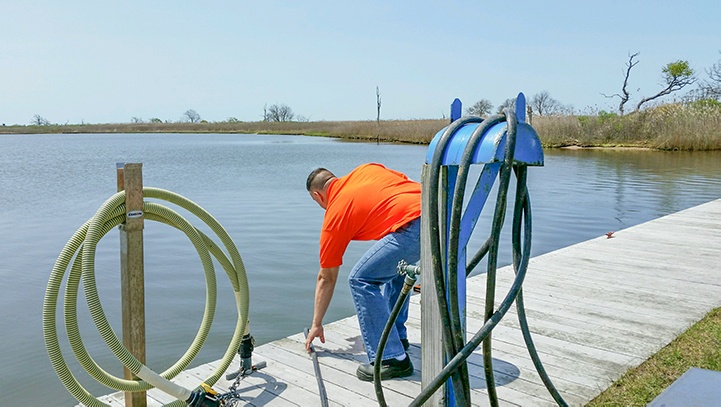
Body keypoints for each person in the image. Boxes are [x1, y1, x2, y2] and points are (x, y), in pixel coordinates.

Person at [303, 163, 421, 381]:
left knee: (361, 280)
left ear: (318, 196)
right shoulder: (367, 169)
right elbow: (404, 185)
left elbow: (326, 278)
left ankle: (392, 359)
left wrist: (316, 324)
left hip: (415, 227)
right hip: (439, 210)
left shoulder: (335, 214)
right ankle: (395, 338)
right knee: (396, 272)